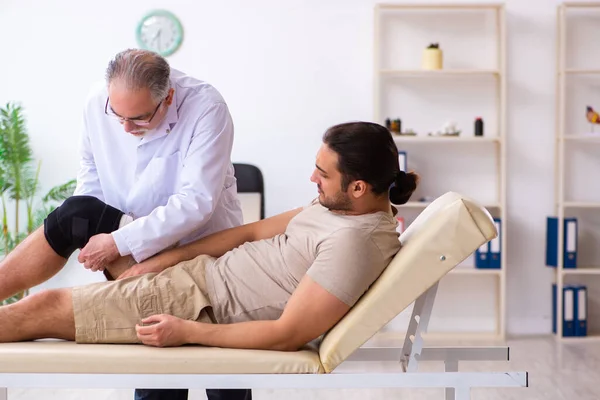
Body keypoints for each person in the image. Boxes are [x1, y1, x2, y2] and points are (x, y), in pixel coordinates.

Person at [0, 122, 418, 357]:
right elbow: (251, 231)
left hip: (196, 304)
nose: (312, 179)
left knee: (42, 308)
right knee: (82, 214)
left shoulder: (354, 243)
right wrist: (161, 261)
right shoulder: (335, 207)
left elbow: (289, 333)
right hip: (192, 276)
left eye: (322, 174)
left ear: (360, 186)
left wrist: (188, 332)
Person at [74, 48, 246, 400]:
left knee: (224, 371)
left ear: (167, 97)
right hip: (139, 252)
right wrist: (96, 235)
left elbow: (196, 201)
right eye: (117, 115)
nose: (124, 127)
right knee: (156, 370)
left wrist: (119, 242)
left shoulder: (207, 108)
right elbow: (90, 177)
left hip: (206, 245)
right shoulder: (97, 101)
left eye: (138, 119)